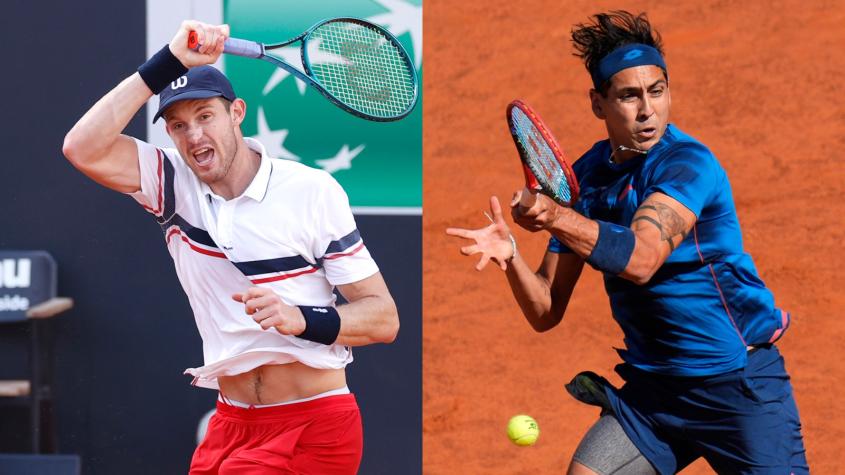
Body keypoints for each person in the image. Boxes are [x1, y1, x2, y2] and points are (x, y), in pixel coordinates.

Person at [447, 10, 808, 475]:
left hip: (737, 388)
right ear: (598, 104)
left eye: (657, 92)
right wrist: (512, 255)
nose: (647, 110)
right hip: (653, 394)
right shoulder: (588, 181)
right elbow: (545, 310)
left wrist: (557, 216)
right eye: (629, 96)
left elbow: (641, 260)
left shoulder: (686, 165)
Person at [62, 20, 399, 474]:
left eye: (205, 116)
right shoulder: (171, 187)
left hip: (312, 425)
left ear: (236, 113)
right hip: (230, 425)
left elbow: (383, 318)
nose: (194, 135)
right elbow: (82, 147)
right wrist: (169, 61)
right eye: (178, 126)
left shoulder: (311, 191)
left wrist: (300, 319)